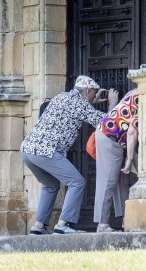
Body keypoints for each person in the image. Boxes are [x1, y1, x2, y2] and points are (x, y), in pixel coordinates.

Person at [20, 75, 118, 235]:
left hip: (27, 149)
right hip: (46, 150)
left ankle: (38, 227)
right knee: (77, 182)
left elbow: (76, 111)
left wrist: (90, 104)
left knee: (51, 185)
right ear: (87, 92)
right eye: (94, 93)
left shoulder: (62, 96)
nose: (95, 95)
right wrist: (112, 105)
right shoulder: (80, 104)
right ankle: (63, 224)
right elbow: (106, 123)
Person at [94, 88, 139, 232]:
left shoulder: (137, 91)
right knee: (109, 181)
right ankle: (102, 224)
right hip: (111, 136)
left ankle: (126, 221)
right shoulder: (143, 97)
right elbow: (132, 131)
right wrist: (129, 159)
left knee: (121, 181)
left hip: (113, 136)